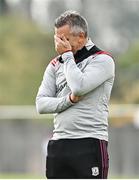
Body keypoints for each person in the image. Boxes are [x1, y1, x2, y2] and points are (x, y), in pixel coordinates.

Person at [36, 10, 115, 179]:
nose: (58, 43)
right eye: (57, 37)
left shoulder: (103, 60)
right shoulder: (55, 65)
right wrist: (68, 100)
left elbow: (78, 87)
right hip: (59, 144)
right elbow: (41, 104)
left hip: (89, 142)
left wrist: (66, 55)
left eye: (64, 38)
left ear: (81, 37)